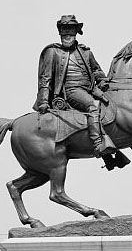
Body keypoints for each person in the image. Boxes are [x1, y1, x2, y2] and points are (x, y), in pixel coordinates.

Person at [33, 15, 118, 160]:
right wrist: (43, 101)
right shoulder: (53, 52)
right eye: (64, 30)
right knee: (92, 106)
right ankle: (98, 144)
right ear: (60, 32)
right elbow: (45, 78)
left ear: (76, 32)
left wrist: (102, 80)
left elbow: (96, 70)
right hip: (71, 91)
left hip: (91, 90)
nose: (67, 34)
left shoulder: (85, 52)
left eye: (70, 30)